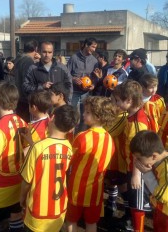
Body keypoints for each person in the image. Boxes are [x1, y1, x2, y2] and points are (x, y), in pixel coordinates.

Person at [20, 104, 79, 232]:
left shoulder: (38, 148)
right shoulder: (69, 148)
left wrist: (22, 199)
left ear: (51, 118)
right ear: (70, 129)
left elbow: (26, 181)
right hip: (58, 210)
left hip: (37, 211)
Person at [66, 96, 117, 232]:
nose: (83, 114)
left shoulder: (82, 137)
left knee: (71, 220)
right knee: (91, 222)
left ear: (99, 116)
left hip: (76, 189)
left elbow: (69, 159)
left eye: (88, 112)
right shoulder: (110, 139)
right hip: (96, 191)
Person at [0, 81, 27, 232]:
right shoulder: (22, 122)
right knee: (15, 215)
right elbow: (27, 150)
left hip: (0, 184)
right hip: (19, 181)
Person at [112, 80, 154, 231]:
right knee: (134, 200)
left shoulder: (138, 121)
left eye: (117, 100)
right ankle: (131, 225)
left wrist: (136, 174)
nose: (116, 103)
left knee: (138, 205)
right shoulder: (131, 116)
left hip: (139, 171)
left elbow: (140, 150)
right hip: (131, 167)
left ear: (129, 100)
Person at [130, 130, 168, 232]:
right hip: (161, 210)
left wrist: (146, 174)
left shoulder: (166, 168)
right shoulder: (158, 161)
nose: (136, 161)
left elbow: (161, 196)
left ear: (154, 156)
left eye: (138, 158)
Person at [67, 37, 98, 132]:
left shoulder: (94, 61)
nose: (94, 50)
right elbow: (66, 73)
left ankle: (81, 137)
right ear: (86, 45)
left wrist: (93, 84)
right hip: (74, 93)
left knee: (85, 117)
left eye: (95, 47)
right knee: (73, 117)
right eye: (92, 47)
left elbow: (95, 76)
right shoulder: (74, 58)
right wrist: (73, 79)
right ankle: (72, 138)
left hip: (86, 94)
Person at [14, 40, 39, 122]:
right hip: (25, 98)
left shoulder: (19, 59)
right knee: (26, 123)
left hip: (18, 95)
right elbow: (27, 80)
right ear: (35, 49)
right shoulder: (28, 61)